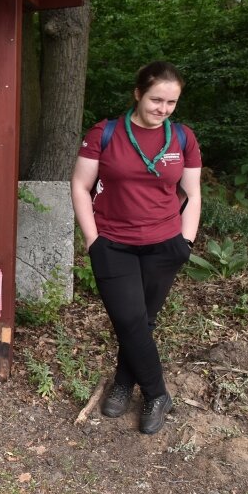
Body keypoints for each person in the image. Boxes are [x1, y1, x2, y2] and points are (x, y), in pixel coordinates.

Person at [70, 61, 202, 435]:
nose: (163, 109)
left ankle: (125, 383)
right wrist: (93, 239)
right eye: (156, 100)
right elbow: (80, 186)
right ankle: (158, 393)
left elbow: (192, 194)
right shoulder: (105, 133)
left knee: (141, 322)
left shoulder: (182, 139)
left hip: (165, 245)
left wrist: (186, 241)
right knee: (128, 319)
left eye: (171, 103)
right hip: (113, 244)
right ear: (138, 94)